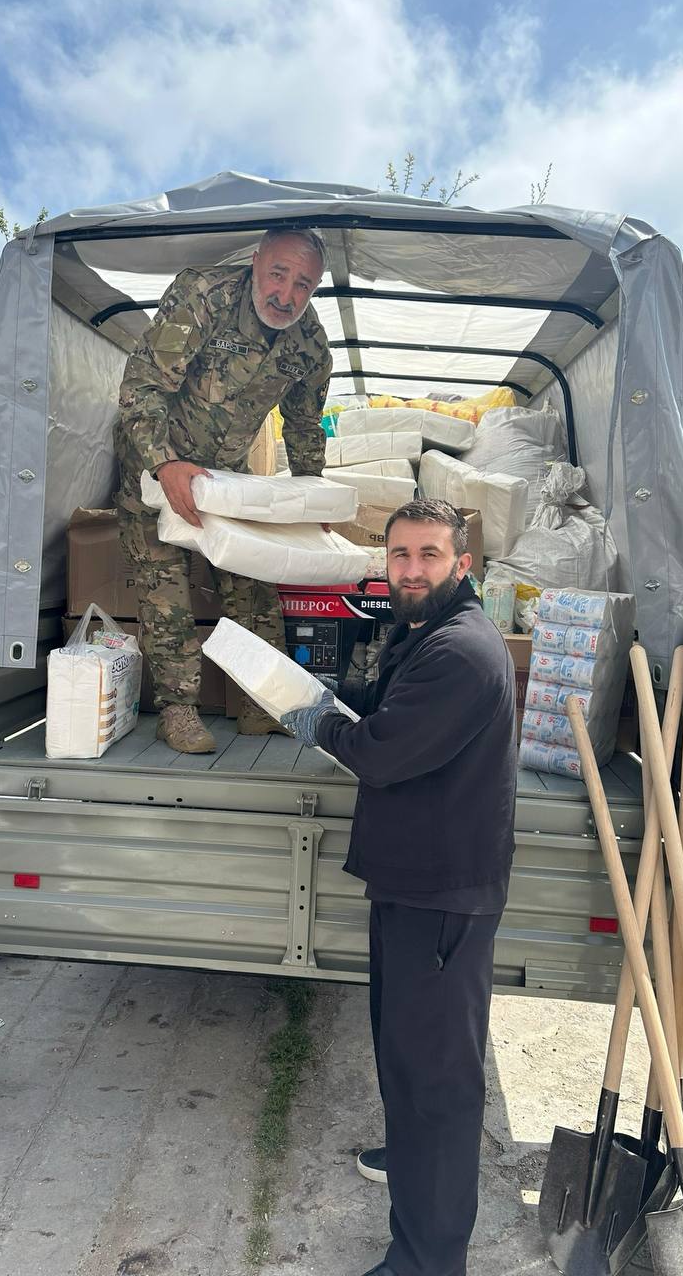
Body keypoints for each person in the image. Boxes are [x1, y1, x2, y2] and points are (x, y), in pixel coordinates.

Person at [281, 499, 517, 1276]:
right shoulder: (428, 632)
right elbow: (391, 713)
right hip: (415, 884)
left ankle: (428, 1258)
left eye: (429, 555)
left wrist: (316, 722)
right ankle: (416, 1159)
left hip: (440, 897)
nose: (411, 570)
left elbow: (379, 753)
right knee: (408, 1057)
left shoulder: (462, 653)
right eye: (400, 555)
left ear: (462, 564)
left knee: (436, 1081)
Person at [114, 227, 332, 753]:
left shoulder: (310, 345)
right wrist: (164, 463)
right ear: (256, 262)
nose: (286, 295)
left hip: (225, 478)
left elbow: (304, 425)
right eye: (278, 274)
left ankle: (260, 705)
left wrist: (312, 499)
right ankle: (178, 711)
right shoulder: (203, 296)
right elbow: (142, 385)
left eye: (303, 284)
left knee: (252, 583)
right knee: (165, 585)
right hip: (154, 465)